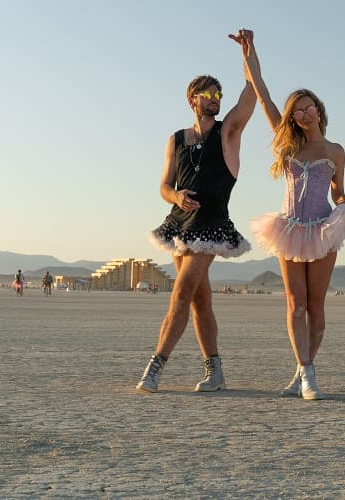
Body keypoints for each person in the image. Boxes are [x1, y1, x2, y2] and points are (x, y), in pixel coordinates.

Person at [240, 29, 345, 400]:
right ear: (293, 117)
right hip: (289, 227)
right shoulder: (287, 143)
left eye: (310, 107)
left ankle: (303, 366)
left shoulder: (335, 150)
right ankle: (307, 374)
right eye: (299, 110)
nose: (306, 113)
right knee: (295, 304)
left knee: (315, 305)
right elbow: (261, 92)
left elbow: (337, 190)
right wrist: (249, 53)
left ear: (319, 110)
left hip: (324, 227)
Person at [136, 29, 258, 394]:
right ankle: (215, 372)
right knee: (200, 300)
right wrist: (175, 198)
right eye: (209, 94)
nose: (216, 99)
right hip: (179, 224)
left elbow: (250, 96)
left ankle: (155, 366)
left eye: (219, 94)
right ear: (192, 99)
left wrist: (249, 55)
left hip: (212, 224)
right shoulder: (177, 139)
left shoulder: (228, 133)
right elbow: (163, 186)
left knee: (182, 293)